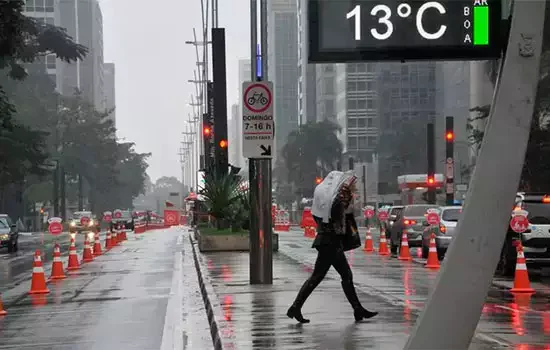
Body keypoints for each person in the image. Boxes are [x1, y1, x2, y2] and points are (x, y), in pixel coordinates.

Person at [287, 171, 378, 323]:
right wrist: (346, 206)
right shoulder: (338, 201)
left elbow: (321, 219)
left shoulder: (325, 204)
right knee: (336, 276)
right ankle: (296, 307)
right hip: (331, 243)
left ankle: (357, 309)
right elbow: (340, 224)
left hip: (326, 241)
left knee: (332, 276)